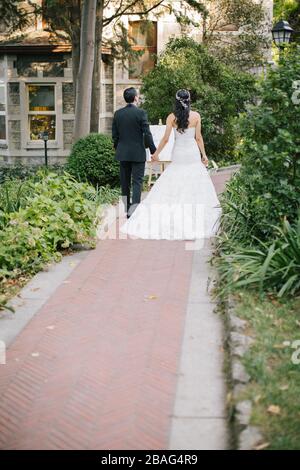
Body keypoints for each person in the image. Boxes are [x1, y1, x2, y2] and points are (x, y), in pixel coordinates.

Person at [120, 89, 222, 240]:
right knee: (194, 181)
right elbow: (198, 138)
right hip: (192, 153)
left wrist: (156, 153)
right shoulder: (196, 116)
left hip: (179, 153)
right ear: (189, 100)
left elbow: (166, 139)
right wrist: (204, 155)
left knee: (176, 178)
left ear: (176, 101)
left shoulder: (171, 117)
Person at [112, 87, 157, 218]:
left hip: (123, 153)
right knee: (137, 182)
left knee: (124, 182)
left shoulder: (118, 114)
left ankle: (127, 209)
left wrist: (117, 147)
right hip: (138, 153)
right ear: (135, 98)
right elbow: (147, 134)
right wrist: (153, 151)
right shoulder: (141, 113)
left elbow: (115, 135)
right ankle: (134, 210)